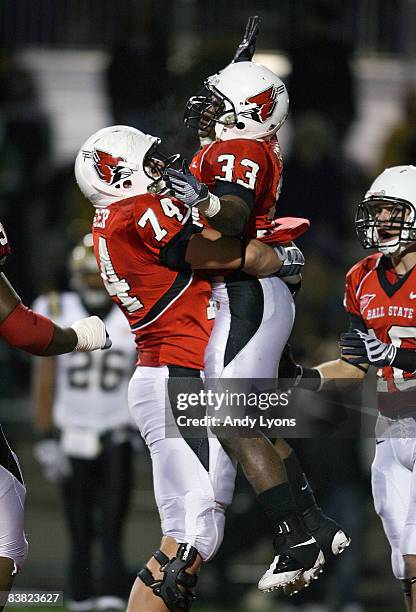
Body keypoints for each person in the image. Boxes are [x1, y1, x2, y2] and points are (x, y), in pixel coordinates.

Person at [74, 124, 300, 611]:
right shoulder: (137, 212)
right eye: (150, 162)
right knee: (193, 539)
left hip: (163, 374)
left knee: (183, 540)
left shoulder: (113, 217)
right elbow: (235, 254)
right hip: (179, 376)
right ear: (120, 172)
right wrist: (279, 257)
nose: (162, 169)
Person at [163, 57, 350, 593]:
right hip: (255, 294)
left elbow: (234, 214)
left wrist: (195, 196)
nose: (208, 113)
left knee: (231, 421)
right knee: (254, 423)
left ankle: (294, 540)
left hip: (245, 295)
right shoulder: (244, 147)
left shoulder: (237, 148)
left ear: (249, 112)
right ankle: (313, 520)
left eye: (220, 105)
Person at [281, 165, 416, 611]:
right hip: (391, 426)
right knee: (403, 559)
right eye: (378, 213)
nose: (382, 223)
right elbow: (356, 364)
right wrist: (303, 379)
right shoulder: (360, 277)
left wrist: (394, 356)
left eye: (393, 213)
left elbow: (382, 354)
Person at [0, 222, 110, 610]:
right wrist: (77, 337)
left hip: (110, 435)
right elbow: (27, 332)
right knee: (6, 543)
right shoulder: (58, 306)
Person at [32, 234, 137, 612]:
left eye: (100, 277)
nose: (94, 283)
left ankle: (109, 599)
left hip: (117, 432)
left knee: (112, 529)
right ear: (77, 276)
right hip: (72, 433)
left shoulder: (132, 312)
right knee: (79, 531)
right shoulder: (56, 306)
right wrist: (45, 434)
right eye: (89, 276)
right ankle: (80, 599)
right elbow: (45, 377)